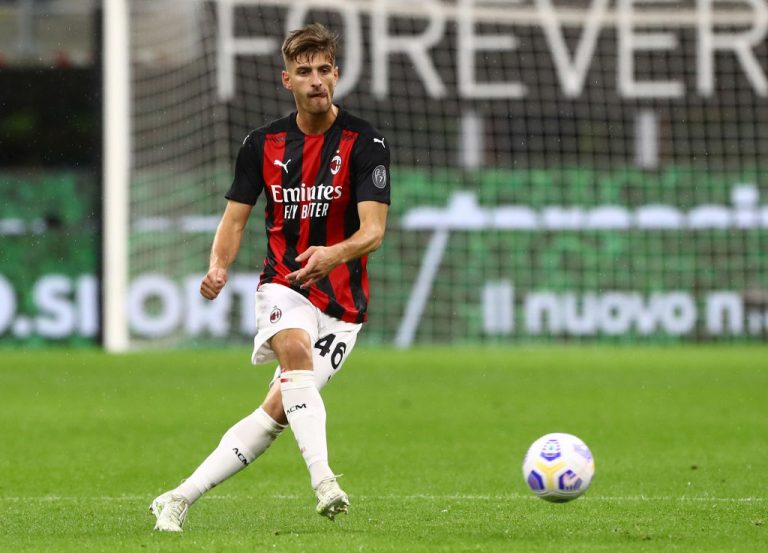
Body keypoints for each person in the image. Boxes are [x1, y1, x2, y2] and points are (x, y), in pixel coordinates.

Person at [149, 22, 390, 532]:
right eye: (304, 72)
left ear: (336, 75)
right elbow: (234, 219)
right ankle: (325, 482)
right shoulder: (262, 144)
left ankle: (179, 496)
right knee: (295, 354)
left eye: (324, 70)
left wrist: (333, 255)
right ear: (287, 80)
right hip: (285, 283)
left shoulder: (365, 142)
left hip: (344, 306)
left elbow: (373, 232)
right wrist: (219, 265)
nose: (316, 80)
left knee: (278, 411)